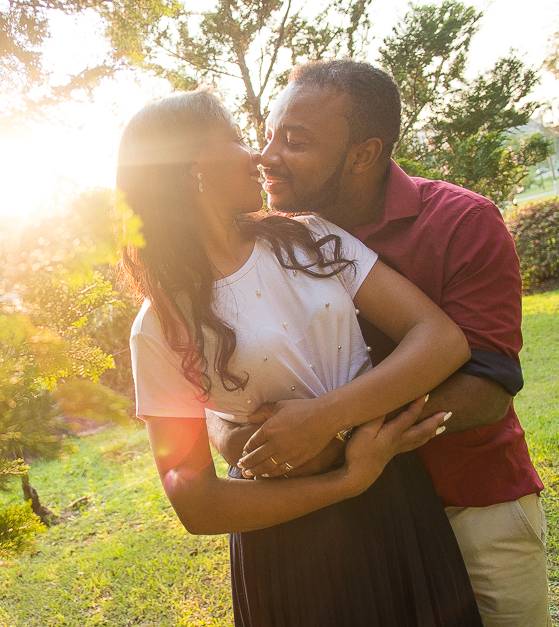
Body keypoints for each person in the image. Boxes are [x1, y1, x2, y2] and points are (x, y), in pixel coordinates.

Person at [120, 88, 482, 626]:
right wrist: (345, 480)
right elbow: (195, 502)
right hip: (290, 544)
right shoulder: (159, 326)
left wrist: (332, 421)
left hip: (397, 503)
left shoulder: (309, 238)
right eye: (238, 138)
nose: (258, 156)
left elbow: (441, 339)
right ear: (194, 168)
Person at [209, 60, 549, 627]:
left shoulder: (463, 221)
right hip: (351, 524)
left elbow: (485, 388)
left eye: (295, 141)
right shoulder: (271, 241)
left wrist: (328, 426)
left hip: (471, 502)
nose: (267, 156)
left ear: (365, 153)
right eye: (267, 134)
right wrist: (237, 434)